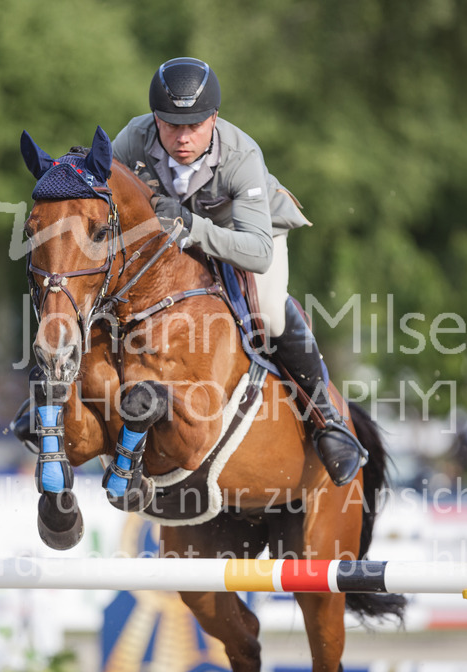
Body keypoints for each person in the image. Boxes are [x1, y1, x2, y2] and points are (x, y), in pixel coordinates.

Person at [112, 57, 366, 486]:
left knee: (268, 310)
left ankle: (327, 420)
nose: (182, 137)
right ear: (155, 118)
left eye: (194, 125)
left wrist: (192, 227)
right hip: (169, 238)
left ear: (214, 117)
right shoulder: (131, 140)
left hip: (245, 234)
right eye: (171, 125)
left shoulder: (241, 154)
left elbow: (257, 251)